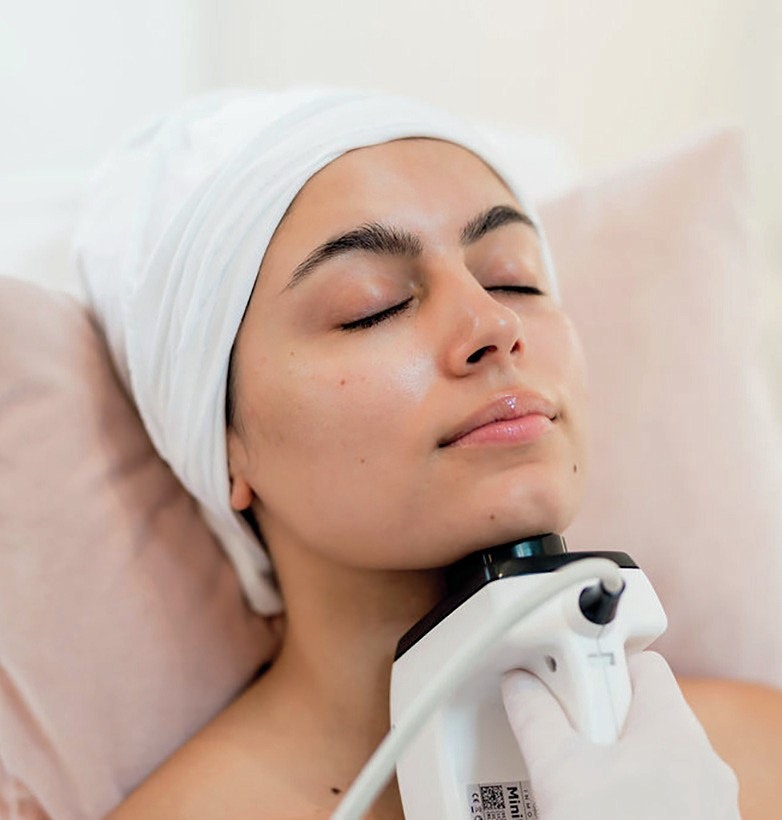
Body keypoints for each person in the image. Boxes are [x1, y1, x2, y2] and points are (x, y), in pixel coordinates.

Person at [74, 88, 776, 819]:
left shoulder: (758, 760)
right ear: (223, 445)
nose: (494, 324)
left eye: (514, 279)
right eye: (371, 306)